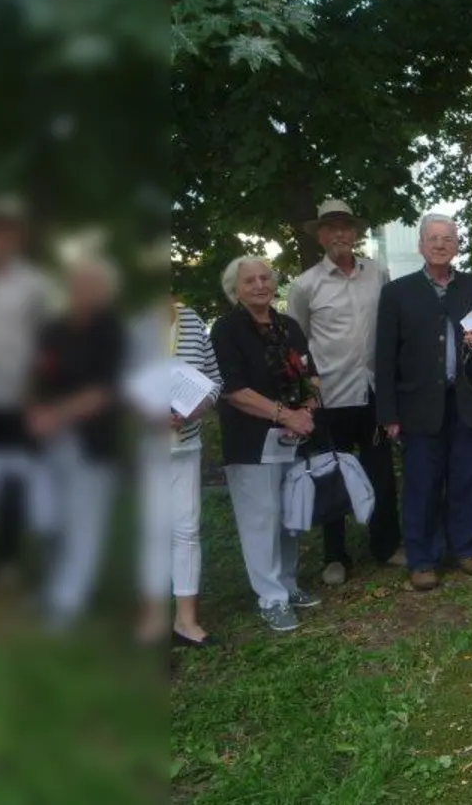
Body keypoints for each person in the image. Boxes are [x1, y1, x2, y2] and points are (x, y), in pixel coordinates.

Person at [376, 214, 472, 592]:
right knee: (422, 483)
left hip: (466, 400)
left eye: (447, 239)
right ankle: (423, 559)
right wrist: (388, 413)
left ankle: (467, 549)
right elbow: (383, 357)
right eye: (433, 238)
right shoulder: (397, 293)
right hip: (417, 406)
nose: (439, 245)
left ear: (456, 246)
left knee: (468, 478)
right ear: (420, 245)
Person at [287, 199, 401, 585]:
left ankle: (386, 545)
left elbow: (388, 329)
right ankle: (335, 556)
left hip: (372, 392)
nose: (339, 234)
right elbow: (295, 343)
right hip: (330, 396)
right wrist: (308, 387)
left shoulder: (378, 274)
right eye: (331, 227)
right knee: (330, 474)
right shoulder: (305, 286)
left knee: (381, 472)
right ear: (319, 236)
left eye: (346, 227)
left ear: (356, 233)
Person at [210, 257, 323, 632]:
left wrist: (307, 409)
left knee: (290, 515)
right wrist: (285, 415)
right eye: (250, 281)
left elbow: (311, 375)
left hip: (293, 437)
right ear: (235, 289)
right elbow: (233, 390)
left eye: (265, 278)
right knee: (261, 519)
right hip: (251, 440)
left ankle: (288, 585)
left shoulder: (288, 326)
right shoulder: (227, 330)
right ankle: (270, 597)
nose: (260, 285)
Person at [29, 254, 127, 631]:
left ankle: (69, 601)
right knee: (51, 518)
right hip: (49, 440)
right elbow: (37, 376)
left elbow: (104, 390)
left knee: (85, 521)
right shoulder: (53, 329)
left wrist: (57, 415)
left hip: (92, 440)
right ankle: (55, 587)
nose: (82, 291)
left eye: (91, 285)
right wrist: (36, 412)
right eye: (77, 284)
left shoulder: (111, 332)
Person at [0, 195, 51, 583]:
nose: (1, 239)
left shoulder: (33, 284)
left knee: (12, 479)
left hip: (19, 399)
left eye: (9, 232)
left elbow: (46, 343)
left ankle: (6, 557)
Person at [137, 293, 222, 646]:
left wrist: (196, 408)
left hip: (185, 443)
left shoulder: (190, 318)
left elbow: (215, 380)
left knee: (186, 531)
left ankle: (185, 622)